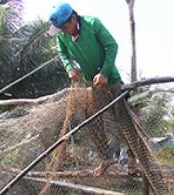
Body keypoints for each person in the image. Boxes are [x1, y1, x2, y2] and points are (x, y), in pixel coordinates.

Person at [48, 2, 137, 176]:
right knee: (93, 120)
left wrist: (104, 72)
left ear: (73, 18)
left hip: (112, 81)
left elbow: (112, 46)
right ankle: (106, 158)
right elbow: (63, 53)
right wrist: (70, 69)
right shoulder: (62, 35)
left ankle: (133, 157)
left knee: (123, 120)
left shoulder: (92, 24)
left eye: (65, 27)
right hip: (93, 84)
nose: (63, 31)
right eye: (60, 29)